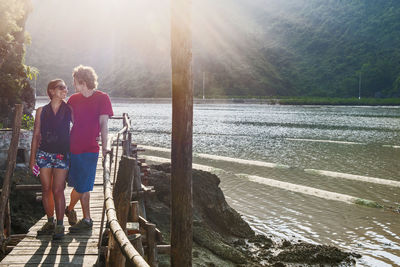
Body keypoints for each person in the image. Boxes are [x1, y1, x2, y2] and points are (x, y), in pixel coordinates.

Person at [65, 65, 113, 232]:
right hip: (74, 146)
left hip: (91, 148)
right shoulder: (72, 100)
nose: (73, 85)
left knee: (84, 185)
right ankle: (72, 210)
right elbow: (69, 122)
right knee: (79, 185)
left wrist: (106, 145)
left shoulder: (102, 98)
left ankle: (85, 218)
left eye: (75, 82)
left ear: (83, 82)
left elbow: (104, 124)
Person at [29, 79, 71, 239]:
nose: (65, 90)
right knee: (46, 189)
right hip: (44, 154)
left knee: (58, 189)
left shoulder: (69, 109)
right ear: (52, 91)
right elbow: (36, 136)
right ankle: (50, 221)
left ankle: (60, 225)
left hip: (62, 154)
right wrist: (32, 159)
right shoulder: (41, 111)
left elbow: (81, 126)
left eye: (66, 88)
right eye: (61, 87)